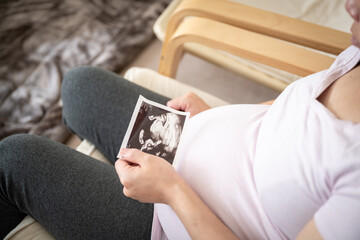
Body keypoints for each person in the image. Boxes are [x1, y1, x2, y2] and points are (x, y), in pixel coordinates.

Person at [0, 0, 359, 239]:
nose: (351, 7)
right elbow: (295, 109)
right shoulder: (357, 55)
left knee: (13, 159)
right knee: (81, 86)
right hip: (185, 145)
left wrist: (172, 191)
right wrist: (219, 116)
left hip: (177, 223)